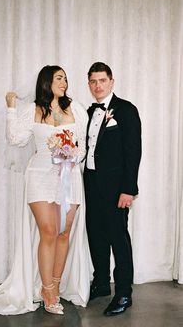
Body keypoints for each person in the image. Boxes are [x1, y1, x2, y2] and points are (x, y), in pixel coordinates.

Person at [0, 65, 93, 315]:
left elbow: (83, 145)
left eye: (66, 78)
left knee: (63, 232)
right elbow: (17, 139)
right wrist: (10, 108)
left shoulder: (76, 109)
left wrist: (70, 156)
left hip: (69, 176)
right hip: (40, 176)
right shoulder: (34, 109)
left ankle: (56, 286)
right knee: (48, 231)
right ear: (47, 82)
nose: (64, 82)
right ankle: (46, 289)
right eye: (59, 78)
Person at [84, 62, 141, 316]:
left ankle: (124, 292)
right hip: (90, 185)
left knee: (118, 238)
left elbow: (133, 152)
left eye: (102, 81)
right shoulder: (87, 112)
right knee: (95, 234)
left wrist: (128, 189)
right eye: (93, 81)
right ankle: (101, 282)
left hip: (117, 189)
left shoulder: (126, 110)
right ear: (89, 84)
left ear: (112, 81)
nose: (98, 86)